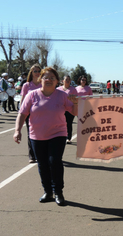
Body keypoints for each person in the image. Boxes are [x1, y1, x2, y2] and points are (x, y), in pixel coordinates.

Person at [13, 67, 78, 206]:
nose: (48, 80)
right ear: (40, 79)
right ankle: (48, 192)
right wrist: (17, 130)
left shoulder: (62, 95)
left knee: (54, 161)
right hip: (37, 135)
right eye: (45, 78)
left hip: (58, 133)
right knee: (42, 164)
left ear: (57, 81)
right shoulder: (32, 95)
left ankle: (58, 192)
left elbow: (74, 112)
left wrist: (76, 102)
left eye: (52, 78)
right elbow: (22, 113)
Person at [20, 64, 42, 163]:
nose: (37, 73)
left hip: (42, 113)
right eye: (35, 71)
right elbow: (23, 100)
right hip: (29, 113)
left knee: (42, 133)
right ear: (31, 72)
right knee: (31, 133)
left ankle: (40, 153)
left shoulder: (43, 84)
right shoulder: (27, 85)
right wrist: (21, 113)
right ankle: (32, 155)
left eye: (38, 71)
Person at [57, 75, 78, 144]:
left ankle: (68, 138)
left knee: (68, 123)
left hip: (70, 110)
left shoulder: (73, 89)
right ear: (63, 81)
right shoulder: (58, 89)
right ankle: (60, 136)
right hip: (60, 110)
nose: (67, 81)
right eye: (66, 79)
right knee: (61, 124)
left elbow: (76, 99)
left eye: (69, 79)